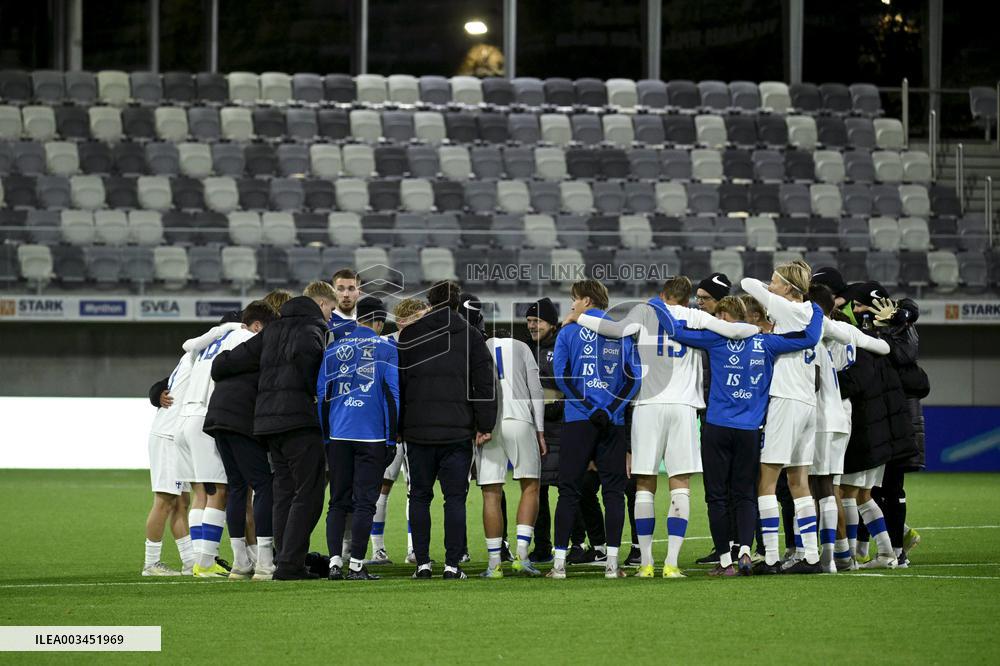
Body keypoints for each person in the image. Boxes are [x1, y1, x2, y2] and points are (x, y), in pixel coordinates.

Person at [570, 276, 757, 578]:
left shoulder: (645, 313)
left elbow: (614, 331)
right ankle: (671, 562)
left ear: (662, 294)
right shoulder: (696, 316)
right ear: (686, 300)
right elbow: (737, 331)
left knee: (644, 484)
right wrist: (758, 329)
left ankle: (645, 563)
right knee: (679, 483)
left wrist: (581, 318)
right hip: (683, 408)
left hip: (647, 407)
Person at [654, 295, 822, 575]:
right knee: (745, 494)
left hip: (717, 427)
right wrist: (815, 309)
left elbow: (673, 330)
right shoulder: (766, 342)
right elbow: (809, 338)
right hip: (749, 431)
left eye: (720, 317)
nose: (716, 322)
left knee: (716, 497)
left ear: (728, 318)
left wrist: (656, 304)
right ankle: (745, 549)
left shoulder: (714, 339)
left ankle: (724, 561)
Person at [212, 281, 335, 580]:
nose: (331, 317)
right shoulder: (313, 331)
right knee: (309, 493)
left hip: (268, 426)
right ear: (320, 305)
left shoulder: (271, 331)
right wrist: (311, 395)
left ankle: (284, 559)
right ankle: (291, 564)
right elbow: (310, 367)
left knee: (284, 492)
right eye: (330, 310)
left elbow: (222, 364)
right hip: (301, 422)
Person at [396, 281, 498, 580]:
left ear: (429, 303)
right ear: (457, 304)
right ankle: (453, 564)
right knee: (454, 498)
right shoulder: (470, 335)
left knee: (419, 496)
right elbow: (484, 384)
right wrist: (485, 424)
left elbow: (399, 385)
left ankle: (423, 563)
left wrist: (398, 426)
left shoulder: (410, 335)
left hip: (417, 431)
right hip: (457, 430)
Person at [549, 279, 641, 580]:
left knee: (568, 492)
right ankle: (613, 566)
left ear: (587, 301)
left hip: (578, 421)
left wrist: (590, 408)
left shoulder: (569, 331)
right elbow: (633, 379)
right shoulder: (621, 332)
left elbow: (562, 376)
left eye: (574, 299)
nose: (571, 304)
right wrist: (609, 409)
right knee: (614, 492)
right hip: (612, 423)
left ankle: (559, 566)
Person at [741, 261, 826, 574]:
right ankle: (812, 558)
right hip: (807, 402)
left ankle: (773, 558)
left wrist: (767, 292)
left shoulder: (788, 309)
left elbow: (747, 283)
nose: (770, 285)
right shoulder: (811, 312)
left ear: (789, 288)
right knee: (798, 481)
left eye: (775, 281)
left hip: (786, 399)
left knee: (766, 479)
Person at [806, 285, 891, 573]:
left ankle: (840, 554)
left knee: (828, 488)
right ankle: (848, 554)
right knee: (840, 489)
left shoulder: (823, 331)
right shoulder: (848, 333)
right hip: (844, 415)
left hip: (824, 414)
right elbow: (881, 349)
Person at [319, 296, 399, 581]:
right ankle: (356, 564)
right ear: (378, 322)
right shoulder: (386, 348)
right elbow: (394, 397)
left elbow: (322, 397)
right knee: (365, 502)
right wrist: (391, 439)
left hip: (338, 435)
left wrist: (326, 436)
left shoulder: (334, 347)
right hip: (373, 437)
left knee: (338, 501)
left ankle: (333, 564)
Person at [200, 301, 279, 580]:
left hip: (217, 417)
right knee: (263, 485)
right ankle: (265, 562)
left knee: (237, 487)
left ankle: (240, 562)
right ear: (259, 327)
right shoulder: (259, 346)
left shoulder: (229, 345)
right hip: (240, 419)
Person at [836, 308, 916, 569]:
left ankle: (848, 556)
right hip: (880, 436)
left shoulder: (858, 355)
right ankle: (886, 553)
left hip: (865, 434)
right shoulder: (880, 353)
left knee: (847, 493)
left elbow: (851, 386)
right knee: (863, 495)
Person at [174, 314, 245, 578]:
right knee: (219, 492)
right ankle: (205, 562)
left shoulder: (201, 347)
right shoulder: (239, 338)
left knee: (200, 494)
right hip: (205, 418)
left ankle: (197, 560)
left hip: (182, 421)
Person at [478, 329, 547, 578]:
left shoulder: (479, 346)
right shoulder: (521, 347)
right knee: (530, 486)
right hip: (519, 419)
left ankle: (494, 563)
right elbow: (536, 390)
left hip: (488, 424)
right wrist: (540, 431)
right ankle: (522, 555)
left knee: (491, 493)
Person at [369, 298, 429, 566]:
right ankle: (378, 550)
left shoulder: (427, 345)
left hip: (416, 425)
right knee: (381, 487)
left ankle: (413, 549)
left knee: (413, 488)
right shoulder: (384, 345)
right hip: (389, 427)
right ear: (405, 320)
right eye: (421, 318)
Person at [692, 272, 733, 566]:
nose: (699, 303)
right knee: (716, 484)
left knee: (738, 485)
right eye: (698, 298)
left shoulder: (730, 332)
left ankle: (742, 544)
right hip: (709, 414)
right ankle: (724, 546)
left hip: (729, 415)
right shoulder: (703, 327)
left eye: (705, 299)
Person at [142, 368, 195, 576]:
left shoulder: (198, 357)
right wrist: (157, 394)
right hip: (167, 436)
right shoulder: (197, 358)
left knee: (181, 502)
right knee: (164, 500)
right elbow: (161, 385)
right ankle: (151, 563)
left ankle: (190, 561)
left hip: (177, 437)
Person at [525, 298, 562, 563]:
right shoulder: (529, 350)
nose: (532, 326)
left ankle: (578, 543)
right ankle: (542, 546)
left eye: (537, 321)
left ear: (551, 323)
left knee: (568, 489)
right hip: (536, 428)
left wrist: (552, 405)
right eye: (529, 322)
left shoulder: (561, 348)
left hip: (560, 428)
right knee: (538, 488)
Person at [328, 268, 360, 341]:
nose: (346, 295)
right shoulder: (325, 322)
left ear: (359, 292)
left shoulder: (368, 321)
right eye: (340, 289)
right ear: (333, 292)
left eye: (351, 289)